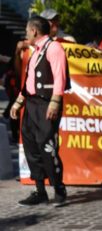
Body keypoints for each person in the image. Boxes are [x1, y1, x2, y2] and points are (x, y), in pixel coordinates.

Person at [10, 16, 69, 207]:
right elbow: (29, 82)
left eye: (27, 30)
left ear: (34, 31)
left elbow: (59, 75)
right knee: (31, 146)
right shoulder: (35, 51)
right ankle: (40, 191)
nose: (26, 34)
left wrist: (55, 101)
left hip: (46, 103)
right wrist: (19, 102)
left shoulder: (54, 48)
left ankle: (59, 189)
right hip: (32, 104)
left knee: (46, 145)